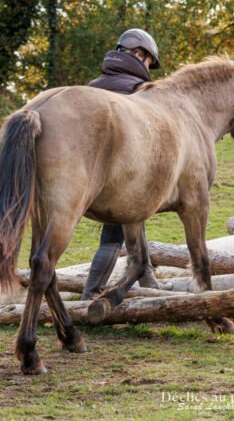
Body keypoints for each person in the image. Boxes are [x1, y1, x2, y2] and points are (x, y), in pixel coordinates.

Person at [81, 28, 161, 301]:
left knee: (135, 219)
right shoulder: (139, 91)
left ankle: (148, 278)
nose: (149, 67)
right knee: (113, 235)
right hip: (120, 173)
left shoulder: (90, 87)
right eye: (149, 61)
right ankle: (90, 293)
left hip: (83, 172)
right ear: (140, 55)